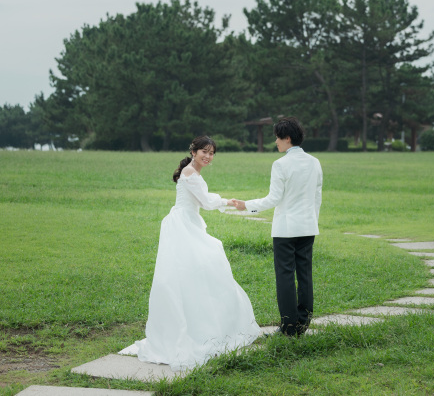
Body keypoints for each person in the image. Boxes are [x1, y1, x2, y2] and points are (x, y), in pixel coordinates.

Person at [118, 135, 260, 371]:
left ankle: (204, 322)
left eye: (211, 153)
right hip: (183, 226)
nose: (208, 156)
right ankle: (192, 327)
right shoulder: (189, 173)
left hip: (189, 222)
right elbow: (206, 202)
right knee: (196, 268)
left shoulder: (192, 172)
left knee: (200, 269)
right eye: (204, 151)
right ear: (193, 152)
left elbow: (201, 202)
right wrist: (228, 201)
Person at [230, 117, 322, 337]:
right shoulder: (315, 162)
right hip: (308, 227)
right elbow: (316, 196)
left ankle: (289, 327)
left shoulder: (280, 164)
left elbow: (273, 198)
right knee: (305, 275)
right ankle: (303, 323)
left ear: (287, 138)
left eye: (278, 138)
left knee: (285, 276)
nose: (276, 142)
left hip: (286, 230)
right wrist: (312, 220)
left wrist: (246, 205)